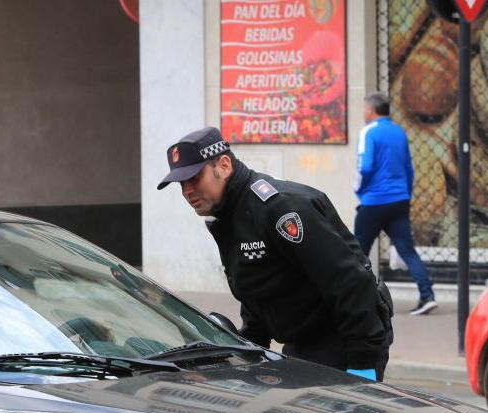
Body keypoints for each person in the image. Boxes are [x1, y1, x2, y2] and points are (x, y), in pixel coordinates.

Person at [157, 127, 392, 380]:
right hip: (304, 338)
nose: (186, 191)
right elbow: (258, 287)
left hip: (344, 335)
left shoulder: (280, 209)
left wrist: (362, 360)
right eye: (181, 183)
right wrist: (248, 347)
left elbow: (348, 283)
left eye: (194, 178)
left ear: (223, 166)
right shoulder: (229, 215)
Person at [353, 92, 438, 316]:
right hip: (399, 201)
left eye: (364, 109)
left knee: (357, 251)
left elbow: (365, 166)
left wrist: (358, 190)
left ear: (371, 110)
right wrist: (405, 195)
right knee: (407, 250)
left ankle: (355, 299)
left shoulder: (368, 132)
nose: (363, 113)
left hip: (373, 201)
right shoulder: (399, 132)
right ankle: (427, 295)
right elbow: (409, 169)